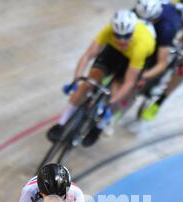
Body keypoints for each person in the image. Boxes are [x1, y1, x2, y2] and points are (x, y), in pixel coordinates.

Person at [47, 9, 156, 147]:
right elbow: (87, 55)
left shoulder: (141, 45)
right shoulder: (108, 31)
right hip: (113, 52)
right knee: (87, 84)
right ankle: (61, 124)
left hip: (133, 59)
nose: (122, 40)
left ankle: (98, 128)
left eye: (126, 36)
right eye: (118, 36)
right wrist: (78, 79)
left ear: (132, 32)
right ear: (113, 31)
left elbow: (129, 83)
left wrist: (111, 102)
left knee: (117, 92)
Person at [134, 0, 183, 120]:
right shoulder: (140, 10)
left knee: (181, 63)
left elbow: (162, 63)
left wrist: (143, 76)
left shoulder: (166, 27)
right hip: (166, 12)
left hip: (169, 29)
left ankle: (159, 100)